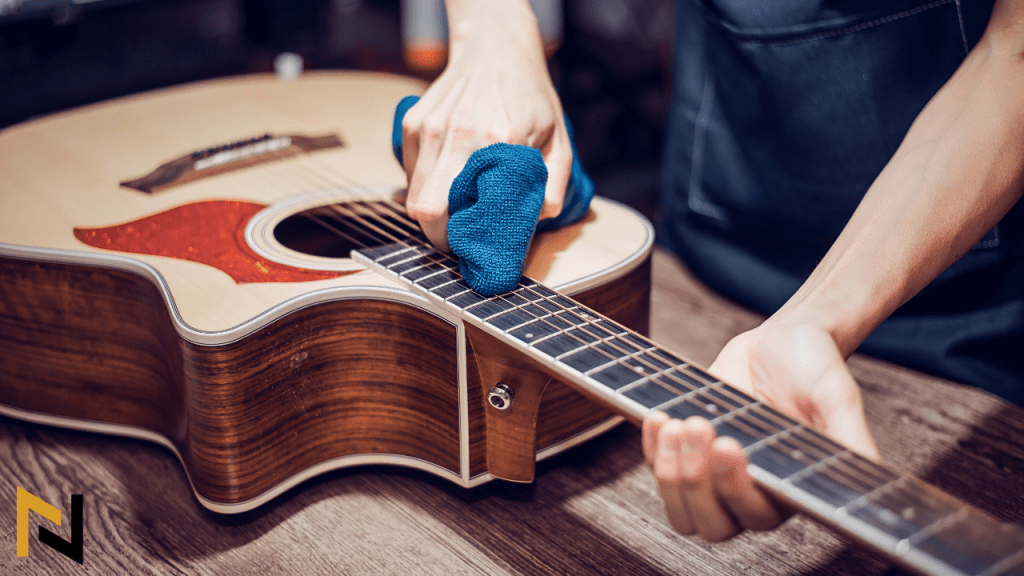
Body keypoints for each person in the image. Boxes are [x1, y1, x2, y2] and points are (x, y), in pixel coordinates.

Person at [398, 0, 1024, 542]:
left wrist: (818, 318)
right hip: (695, 257)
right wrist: (495, 39)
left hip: (945, 311)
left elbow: (1014, 54)